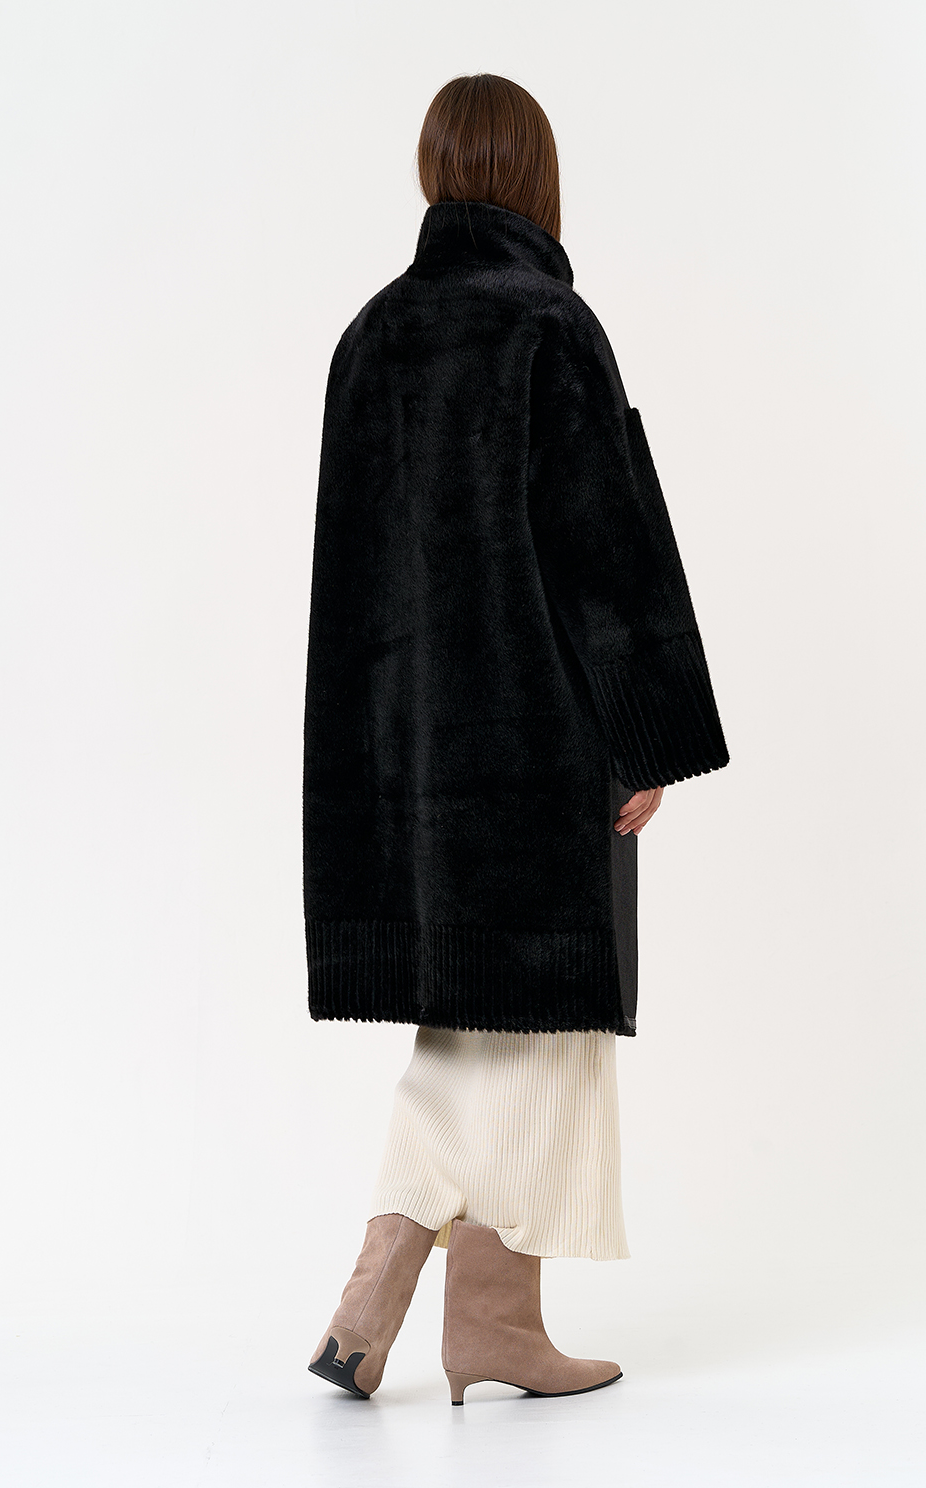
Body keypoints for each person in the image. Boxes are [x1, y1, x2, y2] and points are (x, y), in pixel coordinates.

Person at [302, 73, 729, 1406]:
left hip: (407, 756)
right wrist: (644, 735)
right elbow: (609, 548)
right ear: (538, 177)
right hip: (537, 740)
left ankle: (435, 1303)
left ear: (435, 173)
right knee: (540, 1026)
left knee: (469, 1021)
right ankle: (457, 1309)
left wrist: (373, 759)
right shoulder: (550, 325)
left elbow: (347, 580)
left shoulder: (370, 337)